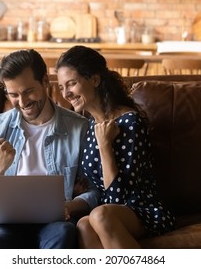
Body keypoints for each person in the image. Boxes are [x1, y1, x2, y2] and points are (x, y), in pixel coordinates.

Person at [0, 49, 100, 249]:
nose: (23, 102)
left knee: (64, 232)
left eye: (28, 91)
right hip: (4, 222)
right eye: (14, 95)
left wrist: (68, 206)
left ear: (45, 82)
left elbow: (95, 191)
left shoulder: (79, 128)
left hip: (54, 221)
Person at [55, 45, 175, 249]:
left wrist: (105, 146)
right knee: (83, 224)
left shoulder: (130, 122)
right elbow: (96, 188)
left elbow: (117, 197)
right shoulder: (90, 125)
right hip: (108, 210)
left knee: (100, 215)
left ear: (94, 79)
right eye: (61, 87)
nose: (66, 93)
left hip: (144, 209)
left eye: (72, 84)